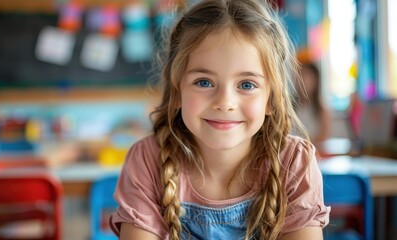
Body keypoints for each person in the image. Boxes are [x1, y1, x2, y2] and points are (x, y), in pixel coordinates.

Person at [110, 0, 330, 239]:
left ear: (271, 98)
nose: (225, 102)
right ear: (176, 90)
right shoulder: (148, 160)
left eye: (247, 85)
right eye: (204, 82)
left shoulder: (294, 162)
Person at [295, 62, 331, 143]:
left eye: (305, 77)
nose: (301, 81)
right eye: (299, 76)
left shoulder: (321, 110)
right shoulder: (290, 108)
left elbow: (323, 138)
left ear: (315, 81)